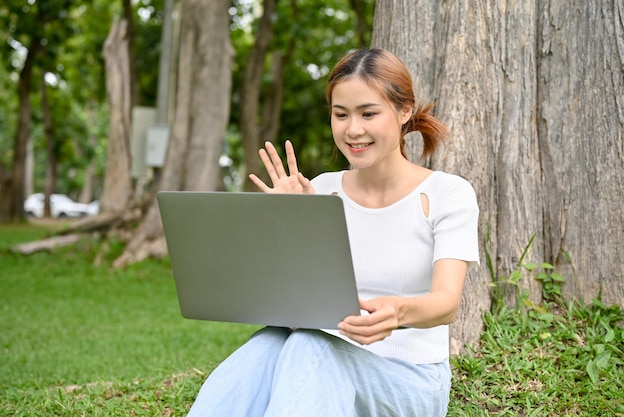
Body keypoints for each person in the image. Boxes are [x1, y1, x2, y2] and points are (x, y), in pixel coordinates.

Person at [186, 48, 479, 417]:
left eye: (368, 113)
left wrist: (398, 311)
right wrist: (290, 226)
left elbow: (447, 303)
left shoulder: (447, 194)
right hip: (316, 365)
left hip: (409, 379)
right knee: (271, 341)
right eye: (341, 115)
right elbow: (296, 305)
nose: (353, 129)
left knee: (311, 344)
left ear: (404, 112)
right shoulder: (323, 190)